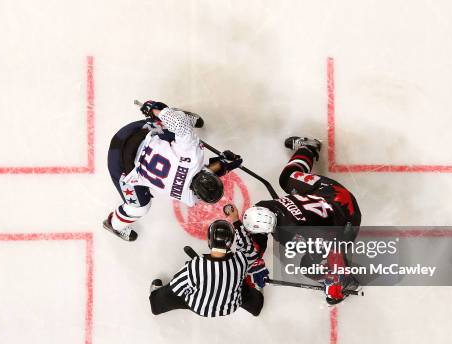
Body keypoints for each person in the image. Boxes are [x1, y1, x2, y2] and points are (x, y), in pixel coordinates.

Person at [241, 136, 362, 304]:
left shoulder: (295, 235)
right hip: (334, 194)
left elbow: (332, 245)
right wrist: (255, 258)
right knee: (287, 177)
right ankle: (308, 148)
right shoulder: (265, 206)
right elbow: (258, 233)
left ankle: (347, 281)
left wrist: (334, 281)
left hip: (348, 217)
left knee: (309, 266)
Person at [103, 100, 243, 241]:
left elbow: (181, 127)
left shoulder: (193, 155)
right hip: (119, 163)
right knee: (140, 208)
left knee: (181, 131)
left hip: (131, 132)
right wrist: (225, 165)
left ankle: (165, 114)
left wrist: (154, 110)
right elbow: (205, 176)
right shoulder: (190, 199)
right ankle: (114, 224)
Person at [149, 213, 266, 317]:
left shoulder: (194, 266)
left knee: (172, 291)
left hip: (200, 308)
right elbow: (248, 247)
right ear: (230, 243)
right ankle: (256, 306)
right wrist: (235, 220)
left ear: (209, 241)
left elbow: (176, 287)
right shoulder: (241, 261)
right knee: (242, 286)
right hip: (230, 307)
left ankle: (156, 304)